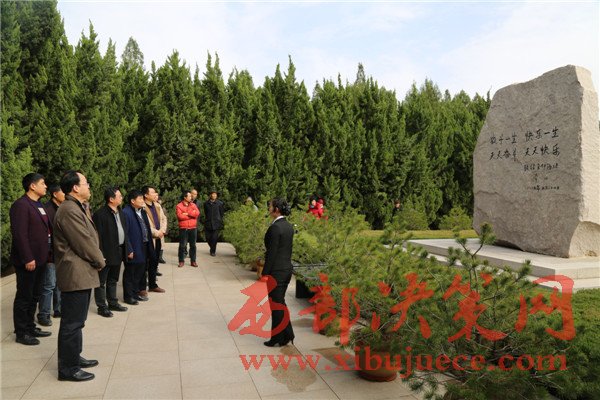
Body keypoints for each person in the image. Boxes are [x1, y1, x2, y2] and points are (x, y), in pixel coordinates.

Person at [54, 170, 105, 381]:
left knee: (78, 321)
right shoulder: (69, 210)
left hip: (81, 272)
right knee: (72, 323)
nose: (89, 186)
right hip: (74, 273)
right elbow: (83, 242)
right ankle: (68, 369)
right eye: (86, 183)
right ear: (75, 187)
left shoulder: (77, 207)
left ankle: (74, 356)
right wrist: (100, 260)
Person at [10, 173, 52, 345]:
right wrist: (28, 257)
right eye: (43, 183)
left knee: (35, 295)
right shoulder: (21, 205)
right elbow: (20, 234)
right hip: (28, 260)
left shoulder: (39, 204)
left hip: (41, 258)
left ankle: (30, 326)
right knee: (24, 297)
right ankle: (21, 332)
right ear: (32, 186)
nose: (46, 186)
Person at [262, 198, 295, 347]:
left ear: (276, 209)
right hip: (286, 269)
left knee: (276, 304)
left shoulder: (276, 228)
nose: (268, 208)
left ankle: (278, 337)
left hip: (276, 271)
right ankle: (286, 335)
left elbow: (272, 253)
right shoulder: (288, 226)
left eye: (270, 206)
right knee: (279, 302)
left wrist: (265, 273)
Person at [92, 186, 130, 317]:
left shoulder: (121, 212)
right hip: (106, 253)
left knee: (113, 279)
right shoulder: (100, 214)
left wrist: (128, 249)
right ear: (111, 199)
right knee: (101, 282)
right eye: (119, 196)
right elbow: (97, 237)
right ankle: (102, 307)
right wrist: (100, 254)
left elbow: (125, 232)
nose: (121, 198)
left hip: (119, 250)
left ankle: (113, 303)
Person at [37, 183, 65, 326]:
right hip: (50, 254)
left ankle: (58, 309)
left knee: (59, 284)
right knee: (49, 285)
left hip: (61, 254)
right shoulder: (46, 209)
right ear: (55, 194)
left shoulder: (63, 208)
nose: (65, 194)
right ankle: (44, 314)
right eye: (63, 192)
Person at [122, 190, 154, 304]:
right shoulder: (126, 212)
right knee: (131, 272)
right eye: (140, 199)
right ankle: (128, 296)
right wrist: (129, 249)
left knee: (139, 271)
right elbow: (125, 233)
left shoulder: (142, 211)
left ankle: (135, 293)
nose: (142, 201)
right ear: (132, 201)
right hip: (133, 246)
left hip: (143, 245)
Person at [142, 185, 166, 293]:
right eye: (152, 192)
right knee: (146, 263)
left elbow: (164, 219)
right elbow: (144, 224)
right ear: (146, 195)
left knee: (154, 261)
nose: (155, 194)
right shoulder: (142, 207)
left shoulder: (157, 205)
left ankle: (153, 285)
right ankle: (142, 287)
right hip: (149, 239)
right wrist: (157, 232)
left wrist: (162, 230)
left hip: (158, 238)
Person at [176, 190, 200, 267]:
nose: (191, 197)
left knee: (193, 245)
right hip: (184, 228)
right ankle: (181, 261)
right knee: (182, 245)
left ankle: (193, 261)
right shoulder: (179, 206)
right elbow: (180, 216)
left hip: (193, 228)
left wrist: (187, 213)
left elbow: (197, 213)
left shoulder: (193, 205)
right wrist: (191, 216)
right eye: (189, 196)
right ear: (185, 197)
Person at [203, 190, 224, 257]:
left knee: (214, 238)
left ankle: (213, 251)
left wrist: (219, 220)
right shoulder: (206, 203)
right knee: (208, 238)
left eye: (215, 194)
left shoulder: (220, 203)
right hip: (208, 223)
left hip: (216, 223)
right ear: (210, 195)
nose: (214, 195)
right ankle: (212, 247)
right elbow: (206, 212)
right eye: (213, 194)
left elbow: (221, 213)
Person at [157, 195, 167, 265]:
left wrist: (164, 229)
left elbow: (165, 219)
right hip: (155, 230)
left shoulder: (163, 208)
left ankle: (160, 257)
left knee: (162, 245)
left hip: (162, 229)